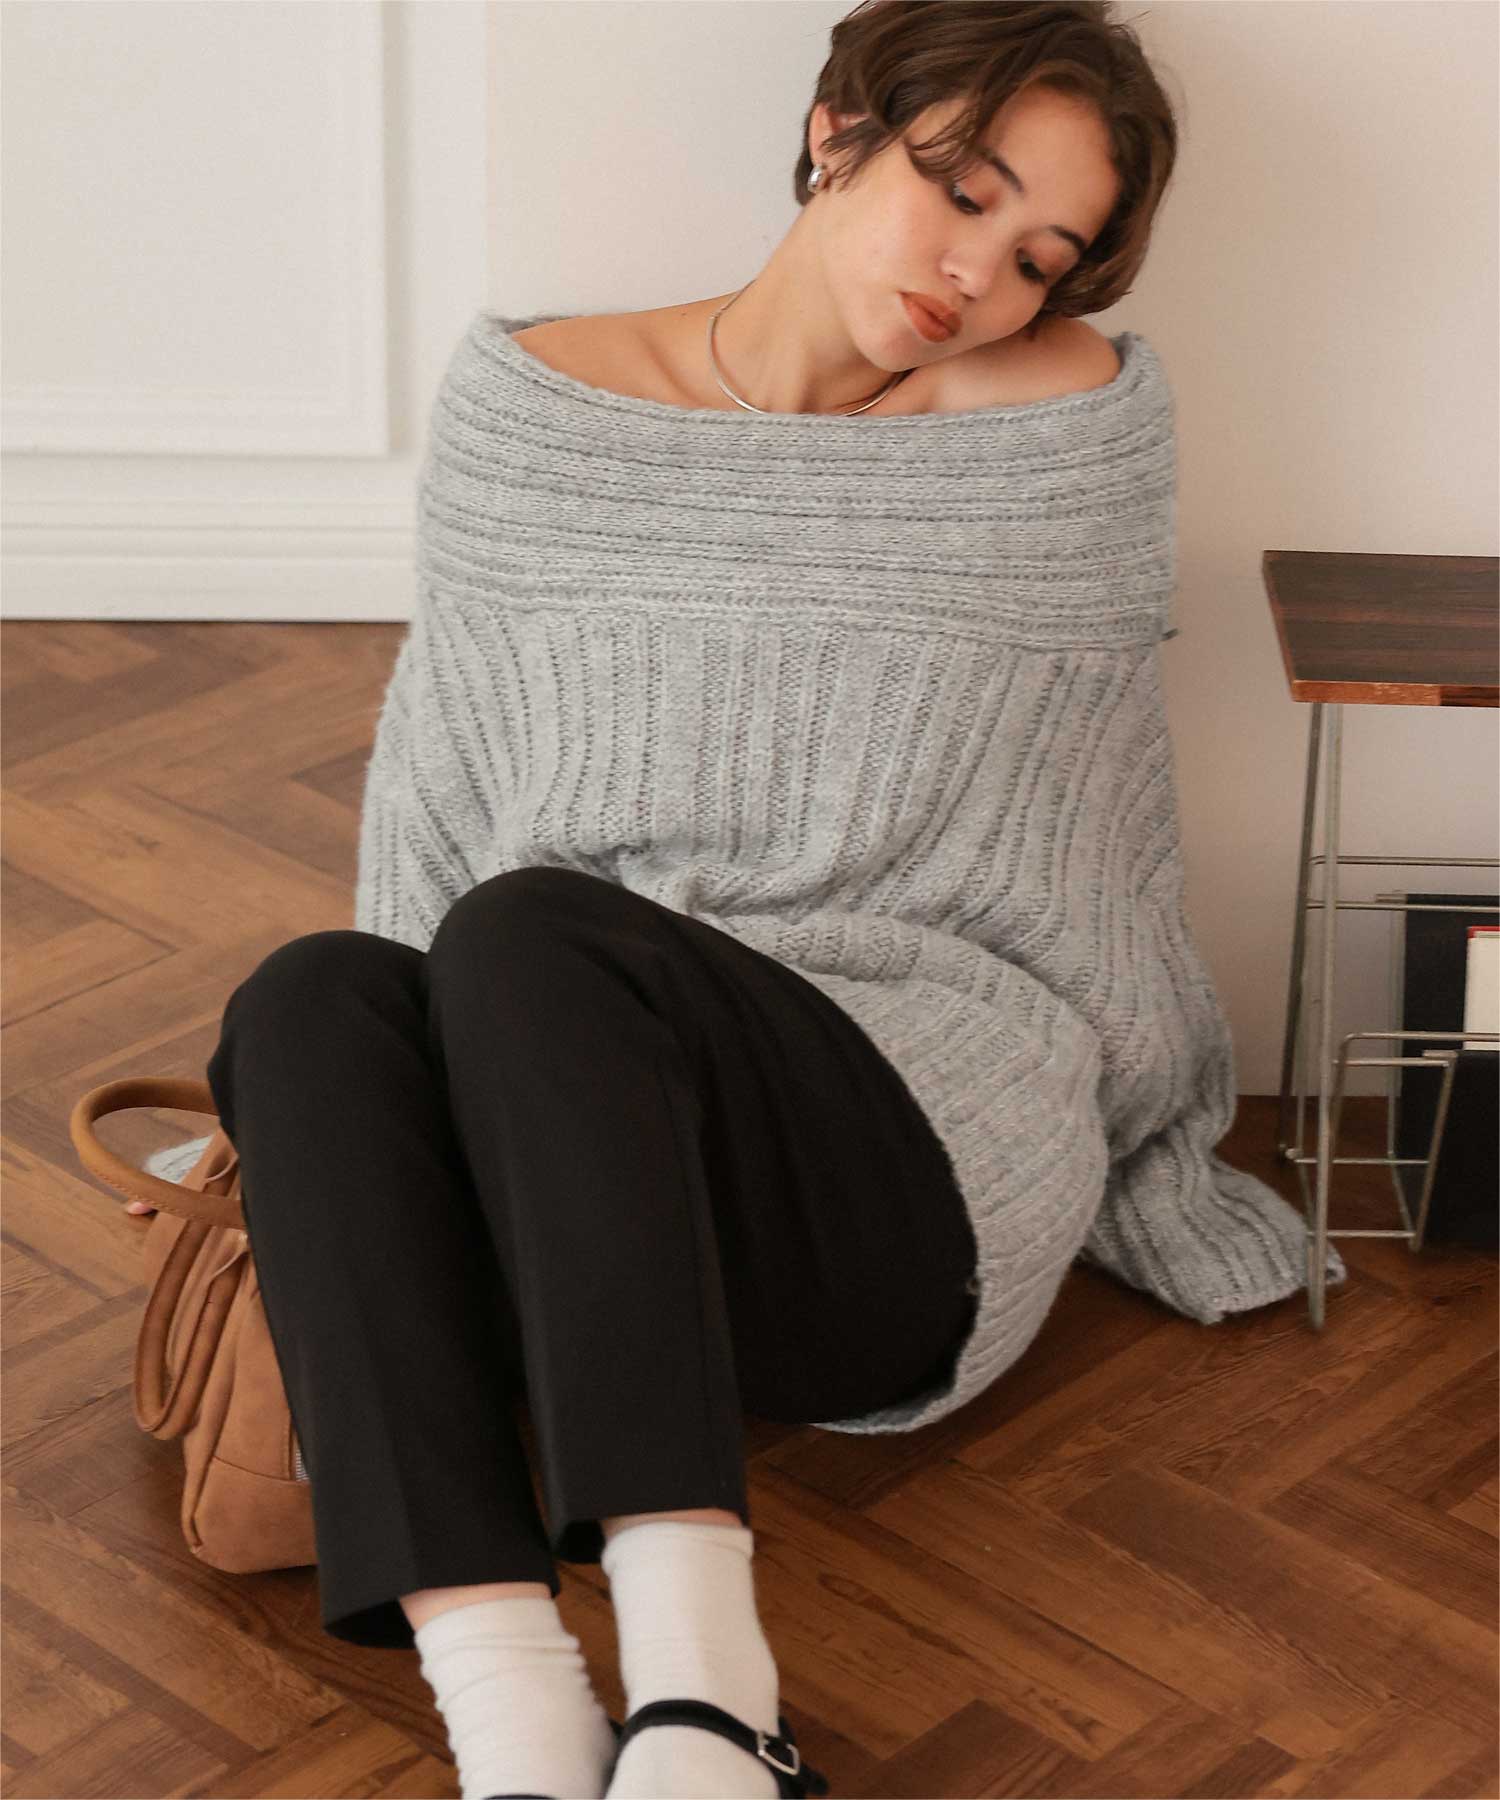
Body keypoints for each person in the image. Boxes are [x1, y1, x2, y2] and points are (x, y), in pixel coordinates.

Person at [139, 5, 1208, 1796]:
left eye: (1041, 255)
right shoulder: (532, 408)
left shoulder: (1063, 425)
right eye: (963, 190)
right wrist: (365, 1134)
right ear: (835, 128)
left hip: (898, 1162)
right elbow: (442, 792)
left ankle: (715, 1699)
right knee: (311, 993)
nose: (983, 275)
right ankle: (514, 1717)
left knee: (532, 931)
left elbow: (1092, 835)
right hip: (575, 1121)